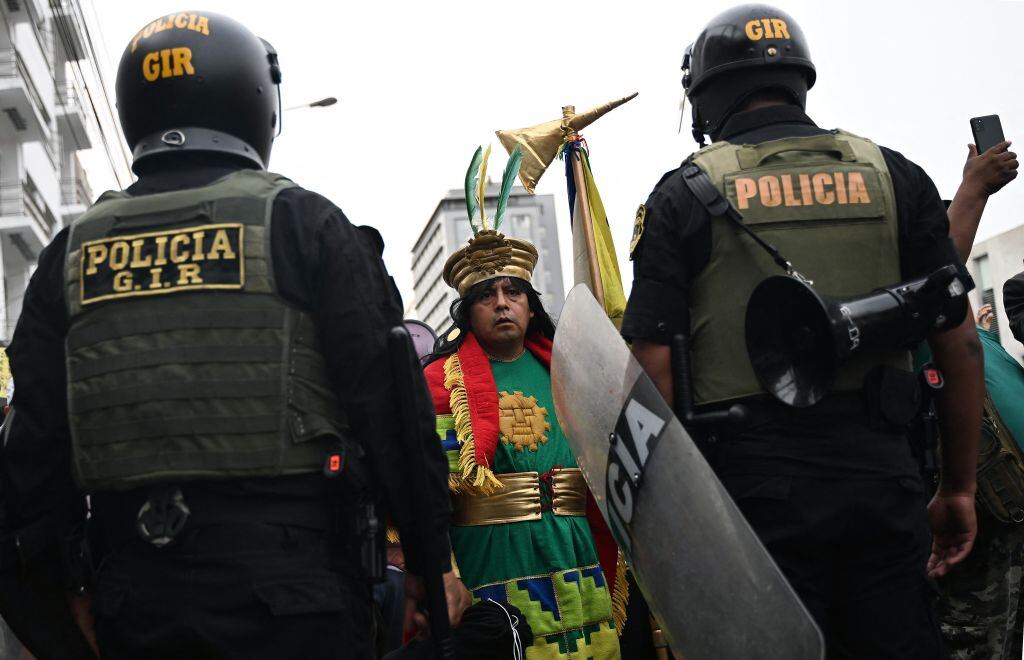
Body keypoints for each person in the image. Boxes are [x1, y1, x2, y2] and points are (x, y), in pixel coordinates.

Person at [0, 11, 467, 659]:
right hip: (298, 598)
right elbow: (389, 406)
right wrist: (430, 560)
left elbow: (33, 448)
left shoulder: (70, 253)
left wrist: (68, 589)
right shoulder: (303, 222)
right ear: (256, 100)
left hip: (133, 599)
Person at [622, 5, 983, 658]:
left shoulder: (682, 194)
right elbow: (957, 340)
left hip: (751, 500)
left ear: (708, 95)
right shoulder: (894, 175)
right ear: (798, 82)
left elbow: (650, 370)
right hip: (884, 482)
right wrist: (958, 488)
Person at [418, 147, 621, 659]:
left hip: (573, 543)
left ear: (532, 307)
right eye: (487, 296)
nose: (502, 303)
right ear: (468, 311)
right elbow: (424, 490)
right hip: (491, 555)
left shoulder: (570, 369)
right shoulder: (439, 382)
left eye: (513, 293)